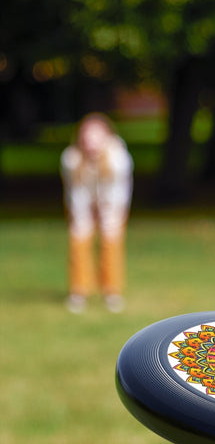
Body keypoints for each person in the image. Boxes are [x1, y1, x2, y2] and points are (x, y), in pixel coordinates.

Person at [60, 112, 133, 313]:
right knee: (79, 239)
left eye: (96, 136)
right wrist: (84, 213)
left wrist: (106, 211)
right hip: (82, 204)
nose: (91, 141)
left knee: (111, 242)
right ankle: (79, 291)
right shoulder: (71, 158)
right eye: (87, 136)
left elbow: (118, 191)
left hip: (112, 204)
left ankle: (112, 291)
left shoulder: (118, 158)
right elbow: (76, 191)